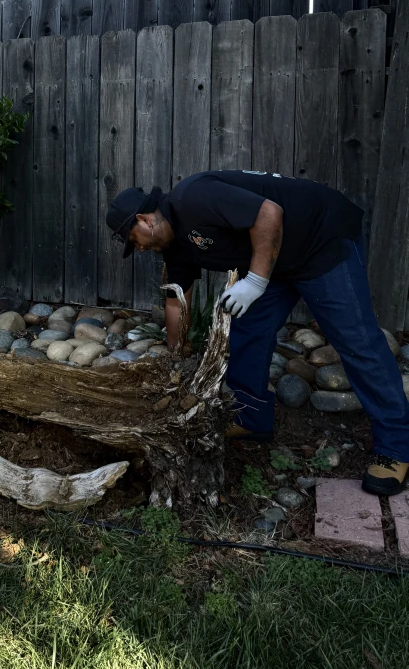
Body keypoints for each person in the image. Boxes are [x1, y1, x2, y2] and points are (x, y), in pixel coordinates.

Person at [106, 169, 409, 497]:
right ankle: (251, 418)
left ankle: (395, 448)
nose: (137, 248)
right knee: (246, 327)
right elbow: (177, 302)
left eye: (132, 238)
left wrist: (255, 282)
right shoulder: (175, 245)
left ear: (145, 219)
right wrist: (176, 355)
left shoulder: (193, 198)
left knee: (357, 341)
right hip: (277, 258)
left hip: (320, 239)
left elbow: (269, 212)